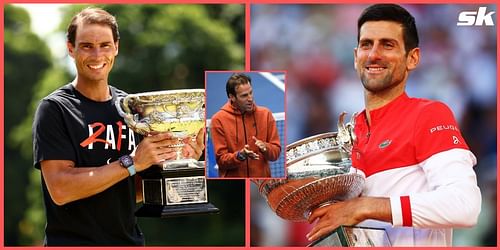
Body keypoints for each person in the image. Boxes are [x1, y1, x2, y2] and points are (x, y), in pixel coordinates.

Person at [306, 4, 481, 246]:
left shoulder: (428, 115)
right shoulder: (350, 132)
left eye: (387, 45)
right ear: (356, 57)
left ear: (413, 58)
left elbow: (465, 205)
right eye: (367, 45)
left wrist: (365, 207)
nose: (374, 54)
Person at [32, 7, 204, 246]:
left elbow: (130, 192)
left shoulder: (132, 108)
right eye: (86, 46)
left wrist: (178, 161)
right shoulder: (55, 108)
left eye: (104, 45)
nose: (97, 55)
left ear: (116, 48)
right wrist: (131, 163)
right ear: (70, 48)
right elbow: (61, 189)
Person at [211, 73, 281, 177]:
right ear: (232, 97)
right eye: (244, 95)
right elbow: (221, 160)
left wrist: (266, 147)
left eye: (251, 93)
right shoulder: (218, 120)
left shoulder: (266, 114)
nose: (250, 98)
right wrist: (240, 156)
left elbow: (276, 153)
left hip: (260, 183)